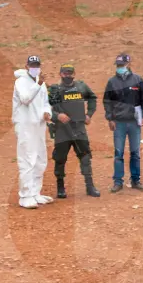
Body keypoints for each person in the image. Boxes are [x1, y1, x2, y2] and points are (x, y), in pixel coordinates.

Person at [48, 62, 101, 198]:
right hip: (62, 130)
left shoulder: (81, 86)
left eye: (70, 73)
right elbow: (45, 108)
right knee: (60, 159)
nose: (68, 76)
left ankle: (90, 187)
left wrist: (89, 114)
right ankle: (60, 188)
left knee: (85, 157)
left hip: (79, 129)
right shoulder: (54, 89)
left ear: (74, 74)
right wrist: (57, 115)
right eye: (65, 73)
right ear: (60, 74)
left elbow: (92, 98)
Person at [103, 53, 143, 192]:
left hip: (134, 123)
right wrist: (110, 118)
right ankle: (118, 182)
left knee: (135, 152)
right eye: (118, 66)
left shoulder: (138, 80)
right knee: (118, 153)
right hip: (119, 123)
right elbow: (107, 102)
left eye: (122, 65)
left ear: (128, 65)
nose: (120, 68)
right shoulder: (112, 82)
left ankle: (135, 180)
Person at [12, 55, 53, 209]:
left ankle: (36, 192)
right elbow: (25, 99)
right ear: (27, 66)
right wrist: (39, 84)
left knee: (40, 158)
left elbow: (45, 103)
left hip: (39, 125)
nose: (35, 67)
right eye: (32, 65)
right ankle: (25, 195)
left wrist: (47, 113)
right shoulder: (21, 82)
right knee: (27, 159)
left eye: (37, 65)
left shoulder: (41, 85)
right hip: (24, 125)